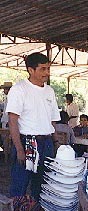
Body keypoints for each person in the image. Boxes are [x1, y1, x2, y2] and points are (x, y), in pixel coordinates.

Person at [6, 52, 60, 200]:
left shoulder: (49, 91)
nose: (47, 73)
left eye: (48, 69)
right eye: (43, 69)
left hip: (47, 143)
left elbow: (52, 120)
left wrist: (56, 142)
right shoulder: (19, 89)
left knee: (43, 186)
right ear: (31, 70)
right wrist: (19, 149)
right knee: (20, 186)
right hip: (27, 142)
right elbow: (12, 121)